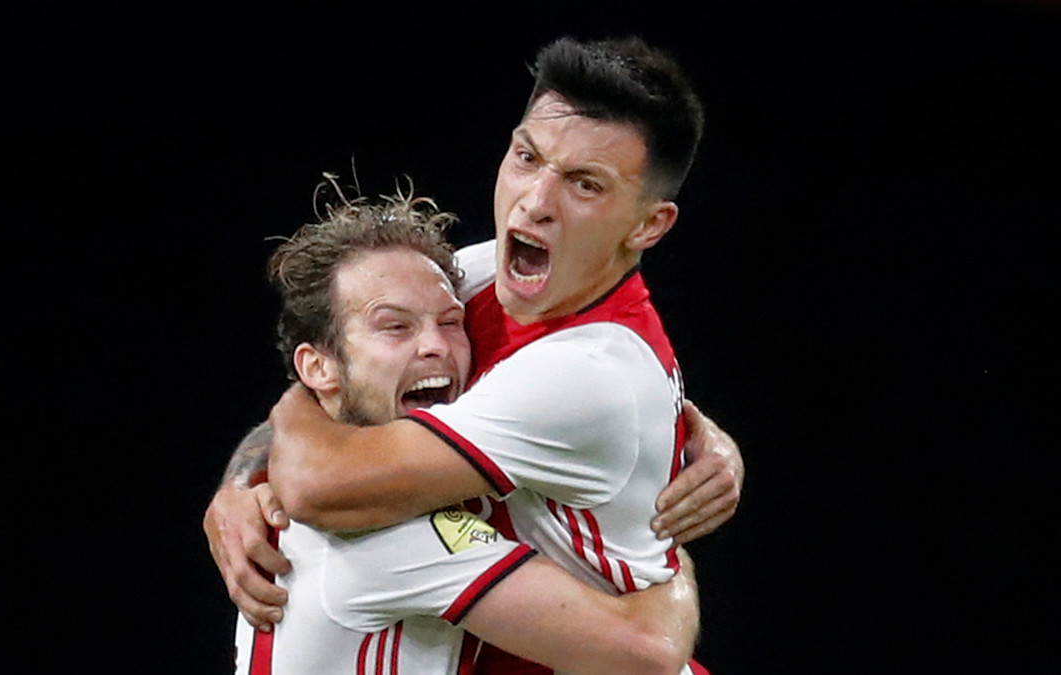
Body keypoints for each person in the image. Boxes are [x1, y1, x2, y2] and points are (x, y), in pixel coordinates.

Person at [206, 35, 744, 673]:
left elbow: (318, 483)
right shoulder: (474, 281)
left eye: (585, 184)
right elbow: (345, 375)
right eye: (527, 156)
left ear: (648, 225)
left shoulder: (594, 378)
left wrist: (675, 580)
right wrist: (240, 479)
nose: (535, 202)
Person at [232, 186, 701, 674]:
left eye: (451, 322)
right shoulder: (384, 532)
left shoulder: (306, 467)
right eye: (395, 327)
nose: (435, 345)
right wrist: (664, 559)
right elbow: (648, 652)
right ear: (317, 368)